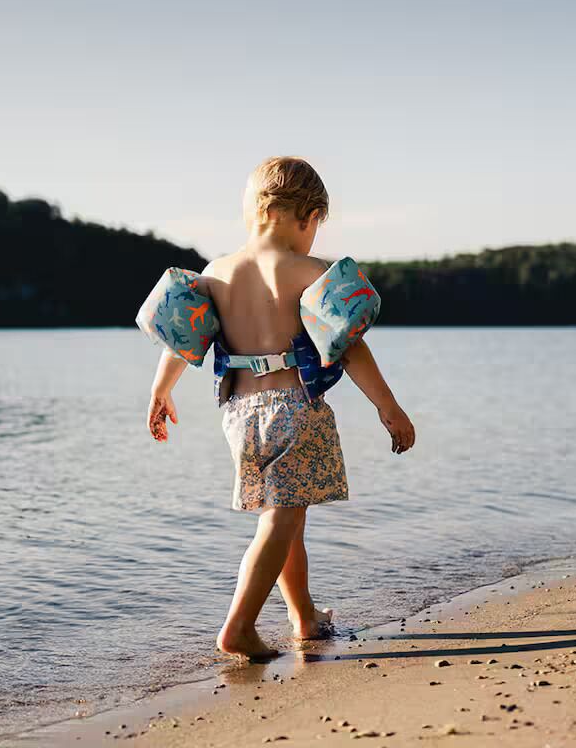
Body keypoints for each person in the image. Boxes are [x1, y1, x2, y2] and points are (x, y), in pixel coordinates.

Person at [144, 156, 416, 660]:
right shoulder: (311, 271)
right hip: (294, 408)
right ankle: (239, 626)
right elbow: (349, 346)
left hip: (237, 411)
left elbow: (182, 339)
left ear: (251, 212)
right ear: (307, 217)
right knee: (283, 518)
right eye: (317, 226)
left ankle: (303, 616)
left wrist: (161, 393)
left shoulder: (216, 272)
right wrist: (389, 407)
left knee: (286, 515)